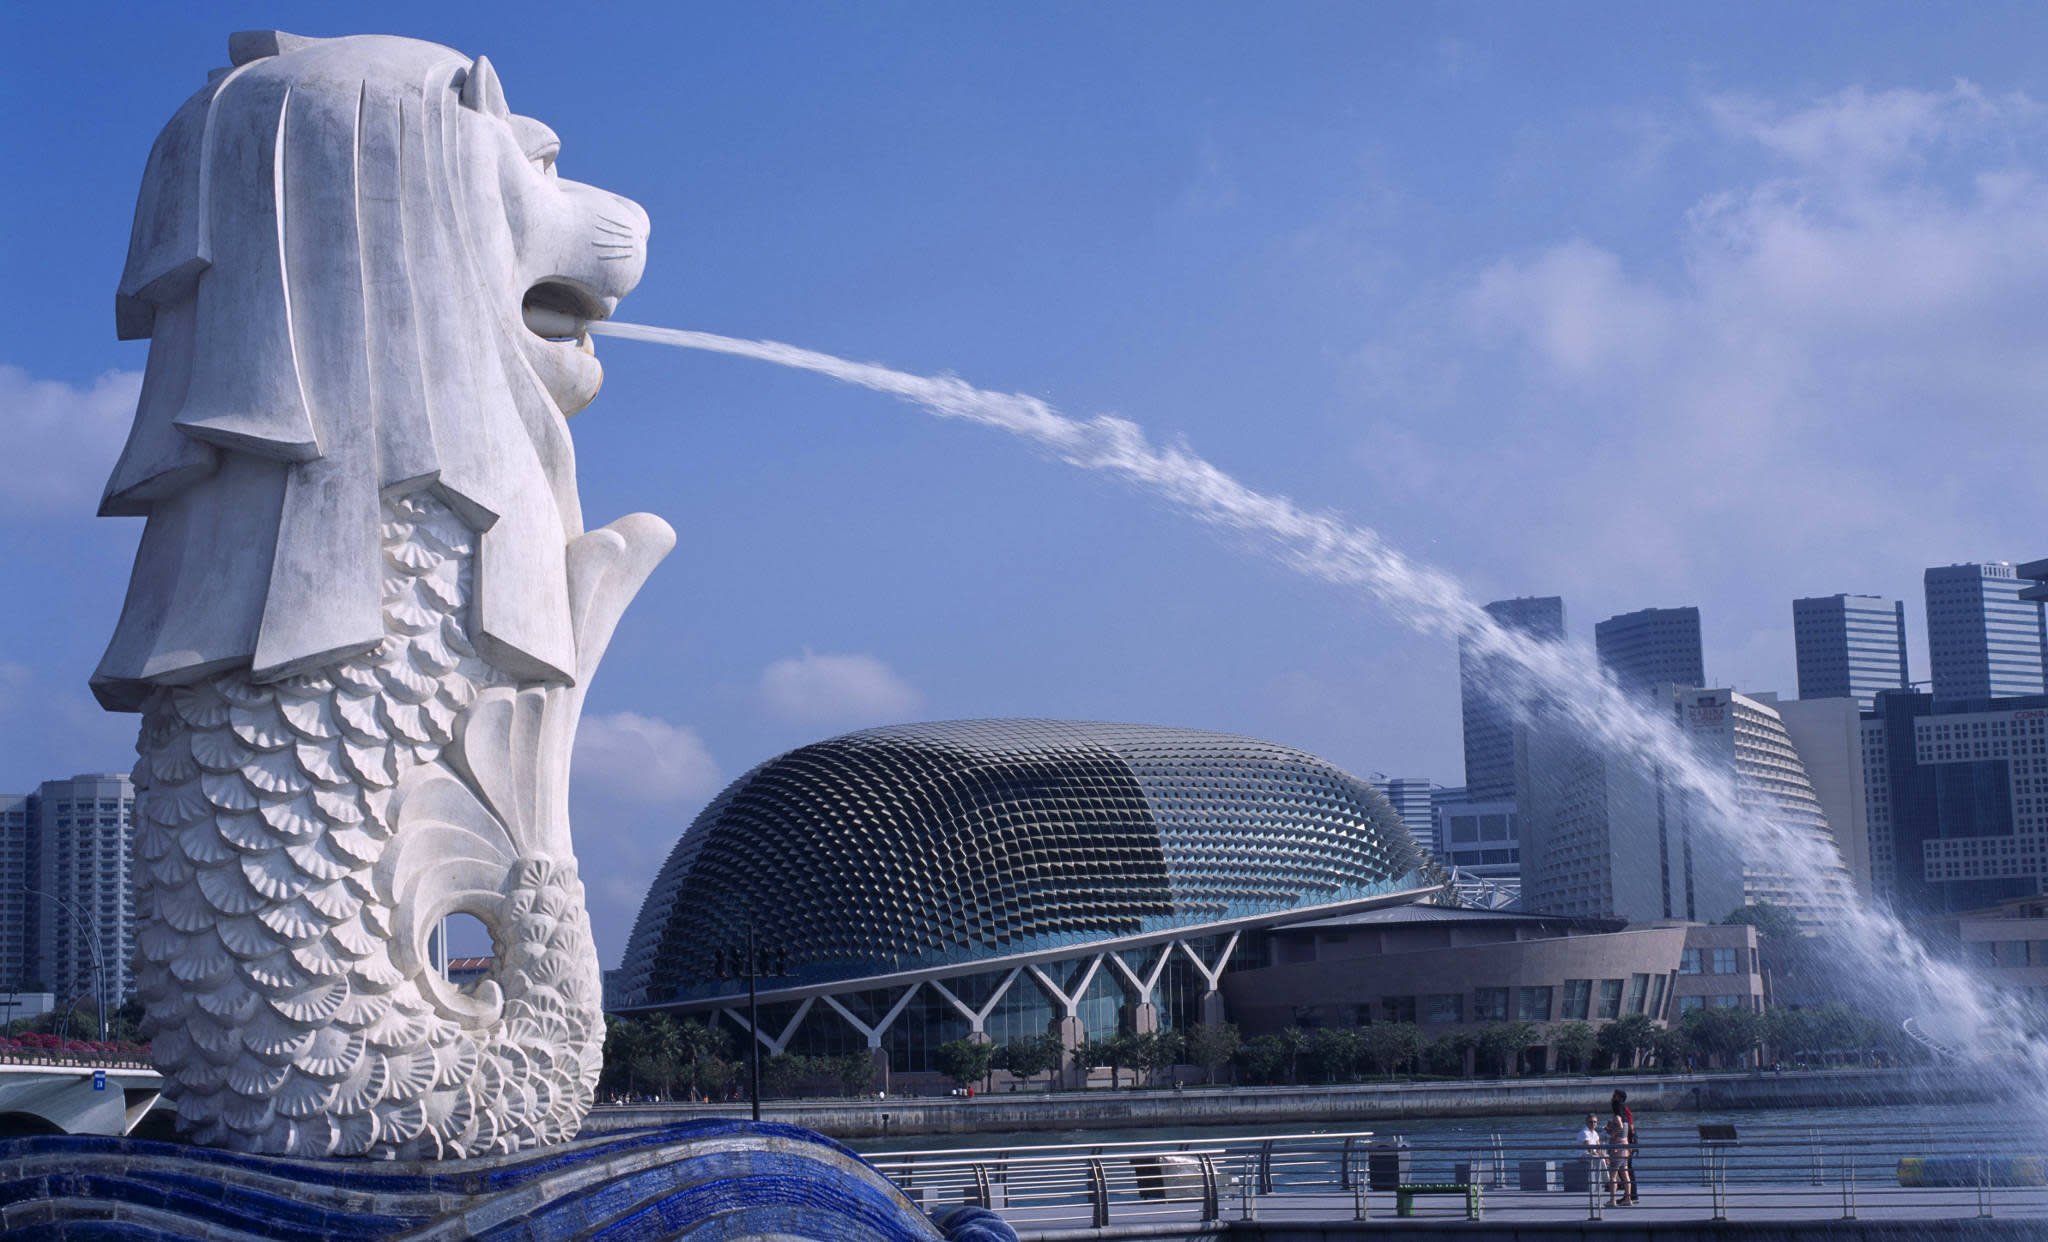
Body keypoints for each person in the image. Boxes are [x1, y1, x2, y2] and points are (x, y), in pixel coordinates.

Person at [1611, 1088, 1638, 1203]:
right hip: (1627, 1142)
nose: (1612, 1097)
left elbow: (1629, 1127)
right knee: (1626, 1171)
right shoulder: (1624, 1110)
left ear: (1620, 1098)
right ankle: (1629, 1196)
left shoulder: (1623, 1110)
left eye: (1615, 1095)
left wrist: (1614, 1134)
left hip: (1625, 1143)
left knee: (1626, 1171)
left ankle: (1631, 1196)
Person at [1579, 1112, 1606, 1195]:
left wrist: (1603, 1154)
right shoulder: (1584, 1132)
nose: (1593, 1123)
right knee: (1599, 1159)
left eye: (1595, 1122)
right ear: (1586, 1122)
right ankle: (1604, 1182)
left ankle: (1611, 1181)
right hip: (1583, 1154)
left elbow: (1598, 1147)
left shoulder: (1595, 1133)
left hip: (1592, 1154)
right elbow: (1589, 1147)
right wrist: (1599, 1154)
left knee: (1609, 1157)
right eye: (1591, 1122)